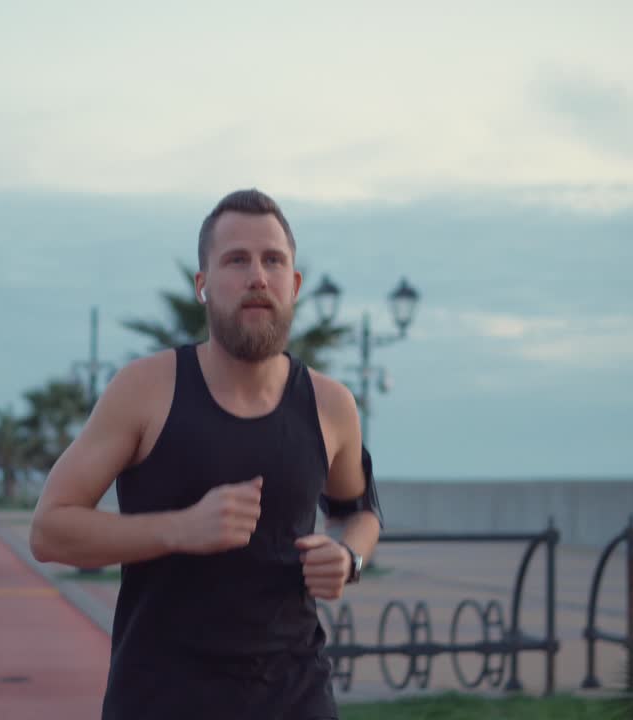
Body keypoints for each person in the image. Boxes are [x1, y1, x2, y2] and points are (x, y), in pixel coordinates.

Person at [30, 188, 384, 720]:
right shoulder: (145, 389)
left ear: (294, 285)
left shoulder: (330, 404)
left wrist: (348, 558)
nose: (257, 276)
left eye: (273, 260)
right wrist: (180, 529)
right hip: (160, 699)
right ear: (202, 284)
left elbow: (359, 511)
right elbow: (49, 530)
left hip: (296, 698)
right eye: (236, 260)